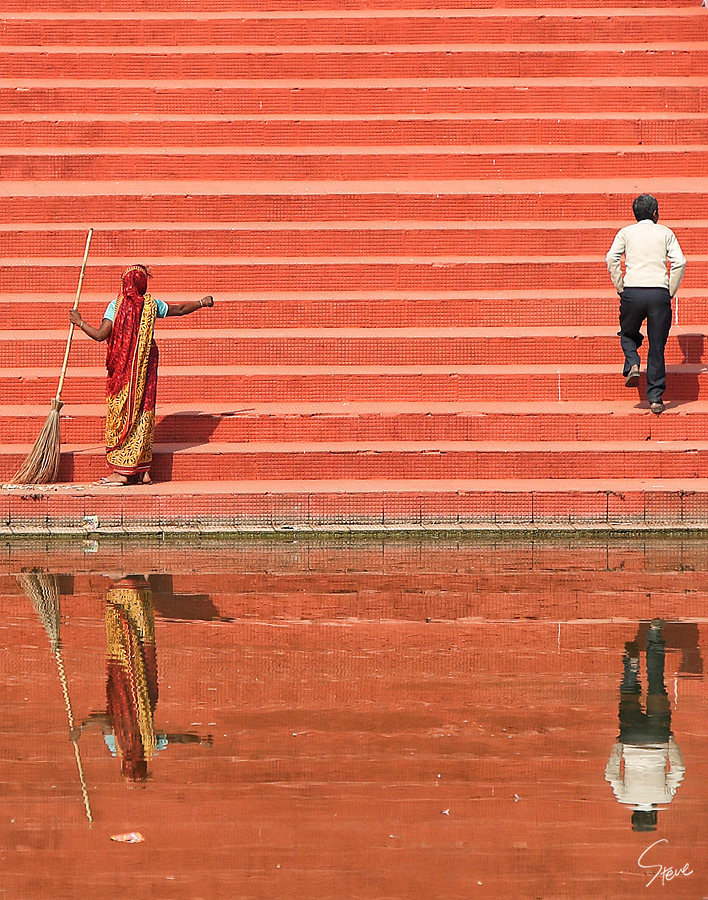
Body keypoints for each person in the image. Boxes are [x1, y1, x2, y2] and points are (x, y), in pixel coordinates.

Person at [70, 264, 213, 484]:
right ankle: (142, 470)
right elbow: (181, 309)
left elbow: (100, 335)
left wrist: (79, 322)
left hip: (123, 372)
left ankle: (122, 472)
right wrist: (202, 302)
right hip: (147, 364)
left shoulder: (115, 306)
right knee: (144, 412)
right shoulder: (152, 305)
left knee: (123, 413)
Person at [606, 194, 686, 415]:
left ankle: (632, 362)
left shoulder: (626, 233)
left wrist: (620, 286)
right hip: (659, 293)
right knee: (657, 346)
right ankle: (656, 398)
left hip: (633, 292)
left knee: (628, 333)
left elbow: (611, 258)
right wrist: (670, 290)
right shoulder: (665, 233)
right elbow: (679, 262)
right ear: (655, 213)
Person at [605, 619, 685, 832]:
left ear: (653, 814)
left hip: (658, 736)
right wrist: (619, 745)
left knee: (657, 682)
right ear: (634, 813)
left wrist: (669, 740)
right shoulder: (624, 797)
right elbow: (611, 775)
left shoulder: (665, 798)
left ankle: (655, 632)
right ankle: (631, 668)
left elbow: (679, 769)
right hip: (631, 739)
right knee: (629, 695)